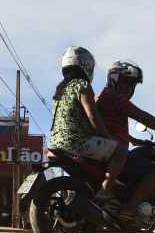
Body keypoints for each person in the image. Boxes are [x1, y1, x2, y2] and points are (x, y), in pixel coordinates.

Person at [96, 60, 155, 223]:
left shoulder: (103, 96)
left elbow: (113, 128)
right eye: (126, 82)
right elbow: (142, 116)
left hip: (107, 148)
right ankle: (129, 210)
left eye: (131, 84)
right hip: (112, 151)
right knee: (154, 171)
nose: (128, 88)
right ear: (114, 80)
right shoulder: (114, 97)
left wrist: (136, 140)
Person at [49, 46, 127, 211]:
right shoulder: (82, 85)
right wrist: (106, 135)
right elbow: (93, 115)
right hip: (76, 141)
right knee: (120, 150)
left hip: (55, 141)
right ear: (86, 65)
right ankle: (105, 191)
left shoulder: (60, 89)